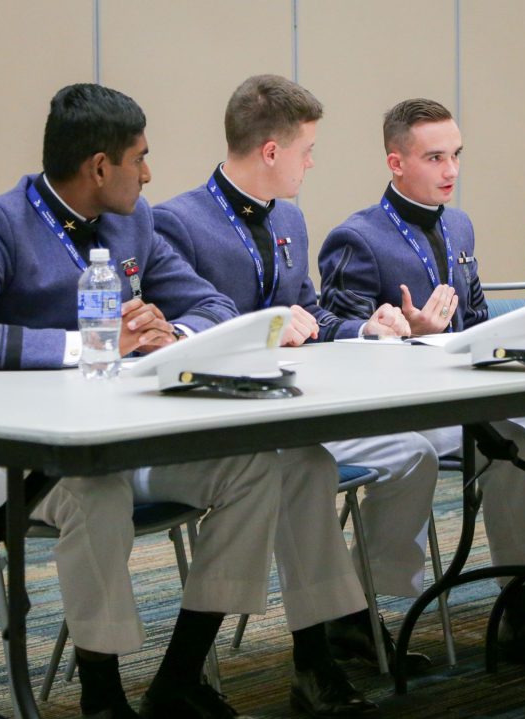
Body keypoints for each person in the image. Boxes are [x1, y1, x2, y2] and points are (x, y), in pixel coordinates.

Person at [0, 83, 297, 719]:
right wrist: (93, 346)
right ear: (100, 167)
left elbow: (212, 305)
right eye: (140, 158)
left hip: (103, 444)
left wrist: (167, 332)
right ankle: (102, 712)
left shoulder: (135, 224)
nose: (149, 174)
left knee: (254, 466)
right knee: (95, 491)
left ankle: (178, 686)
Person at [318, 98, 525, 673]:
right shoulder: (356, 237)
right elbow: (333, 336)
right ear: (395, 162)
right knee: (508, 441)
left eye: (456, 155)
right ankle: (364, 613)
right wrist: (396, 333)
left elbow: (480, 319)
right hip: (397, 412)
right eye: (434, 157)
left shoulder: (459, 224)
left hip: (463, 397)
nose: (450, 170)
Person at [152, 74, 435, 684]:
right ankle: (322, 647)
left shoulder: (291, 221)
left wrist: (365, 327)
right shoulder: (175, 223)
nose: (312, 163)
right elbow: (177, 335)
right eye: (307, 151)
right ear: (273, 152)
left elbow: (311, 310)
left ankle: (352, 614)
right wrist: (263, 330)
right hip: (219, 424)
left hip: (295, 407)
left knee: (411, 453)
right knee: (300, 467)